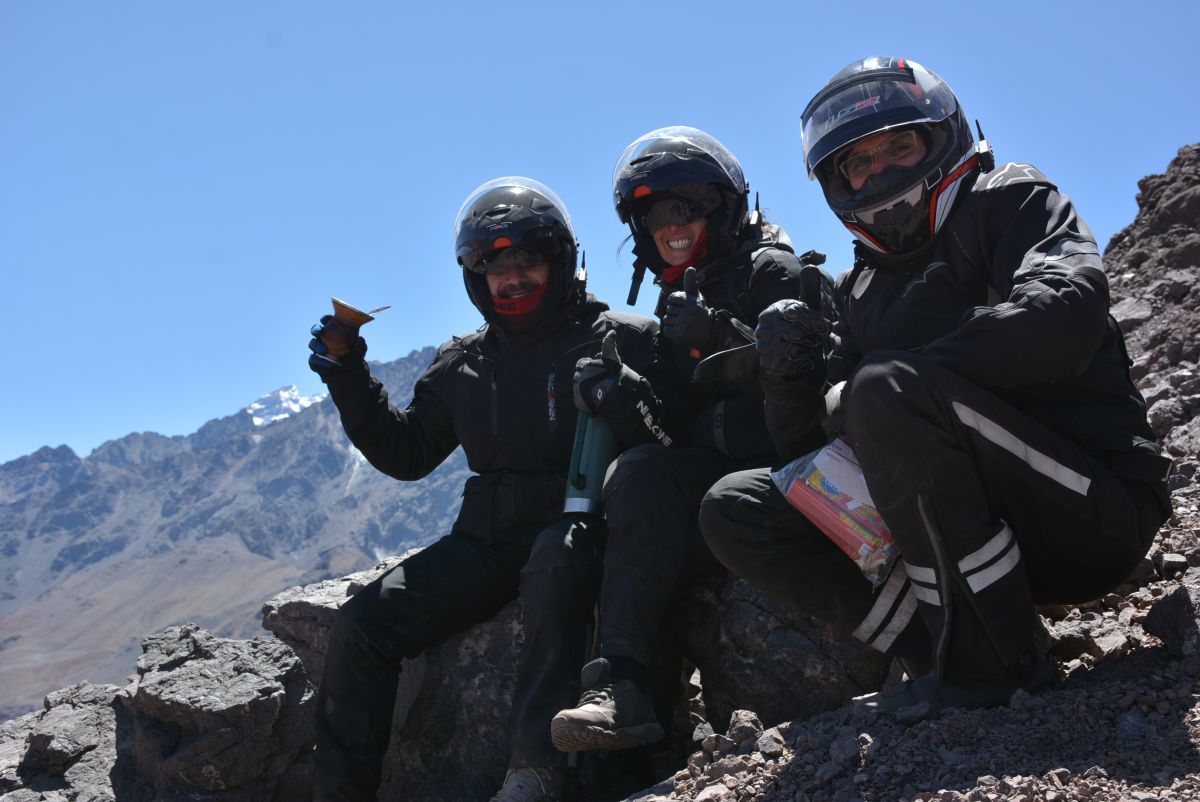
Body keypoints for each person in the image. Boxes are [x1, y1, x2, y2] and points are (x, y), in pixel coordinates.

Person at [700, 56, 1172, 714]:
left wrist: (895, 384)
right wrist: (789, 377)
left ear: (942, 136)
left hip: (1093, 512)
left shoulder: (1010, 198)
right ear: (837, 184)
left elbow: (1068, 307)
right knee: (737, 507)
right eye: (858, 163)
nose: (882, 170)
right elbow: (819, 457)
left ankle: (993, 666)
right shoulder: (860, 287)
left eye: (900, 144)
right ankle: (943, 646)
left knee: (883, 390)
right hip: (979, 542)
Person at [307, 177, 681, 802]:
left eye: (526, 261)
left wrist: (627, 400)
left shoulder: (625, 339)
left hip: (584, 530)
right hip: (483, 543)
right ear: (473, 279)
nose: (510, 279)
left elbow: (672, 447)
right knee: (362, 624)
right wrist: (347, 374)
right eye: (491, 266)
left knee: (555, 559)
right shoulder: (463, 364)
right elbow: (408, 454)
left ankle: (533, 770)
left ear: (560, 259)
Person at [550, 127, 831, 751]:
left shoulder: (773, 270)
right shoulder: (675, 297)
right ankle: (622, 691)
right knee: (639, 473)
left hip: (800, 474)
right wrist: (626, 396)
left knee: (686, 500)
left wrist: (715, 335)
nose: (671, 225)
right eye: (653, 214)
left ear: (722, 206)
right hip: (717, 482)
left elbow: (806, 384)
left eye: (687, 206)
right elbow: (672, 432)